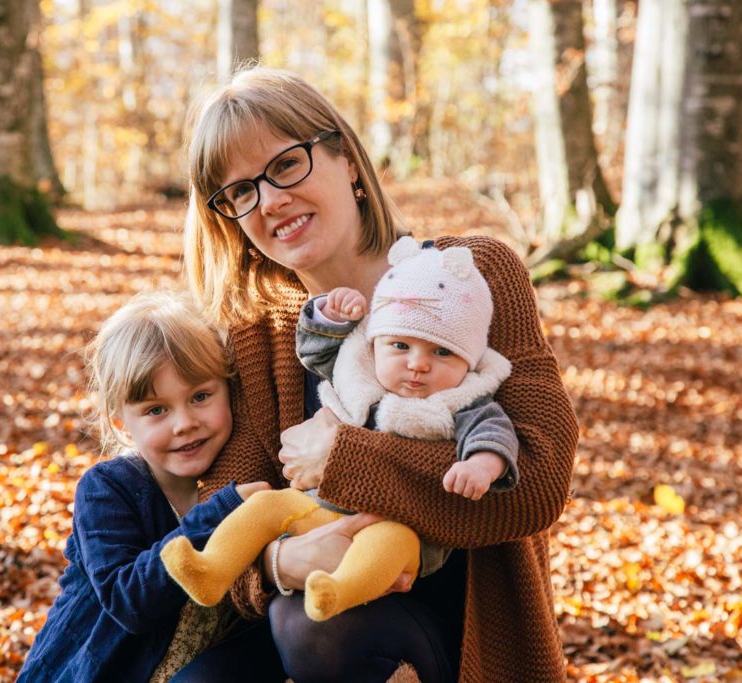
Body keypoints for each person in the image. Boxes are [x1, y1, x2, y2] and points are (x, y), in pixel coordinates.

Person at [181, 66, 579, 683]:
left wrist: (344, 459)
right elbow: (222, 508)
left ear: (345, 159)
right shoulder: (256, 336)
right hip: (307, 604)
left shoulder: (474, 276)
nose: (269, 201)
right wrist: (281, 561)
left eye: (285, 166)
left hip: (456, 634)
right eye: (241, 193)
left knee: (316, 630)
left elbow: (539, 480)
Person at [160, 236, 519, 623]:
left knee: (386, 544)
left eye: (442, 352)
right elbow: (316, 352)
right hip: (320, 508)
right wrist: (330, 318)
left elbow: (493, 434)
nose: (418, 364)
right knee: (266, 505)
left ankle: (341, 590)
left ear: (468, 361)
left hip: (401, 527)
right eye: (401, 345)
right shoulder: (362, 374)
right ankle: (211, 569)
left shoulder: (461, 399)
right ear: (376, 342)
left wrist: (481, 466)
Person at [16, 292, 279, 682]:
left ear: (230, 392)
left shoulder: (238, 477)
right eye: (157, 410)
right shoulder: (109, 488)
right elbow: (129, 600)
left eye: (201, 396)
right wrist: (222, 512)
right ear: (122, 422)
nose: (184, 423)